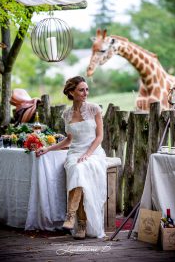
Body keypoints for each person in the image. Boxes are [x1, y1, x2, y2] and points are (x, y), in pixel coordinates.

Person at [36, 76, 107, 239]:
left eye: (87, 89)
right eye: (81, 90)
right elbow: (68, 140)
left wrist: (87, 154)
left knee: (80, 168)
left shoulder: (94, 109)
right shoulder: (66, 114)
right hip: (74, 152)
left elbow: (99, 137)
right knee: (76, 168)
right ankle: (80, 224)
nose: (85, 93)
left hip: (93, 152)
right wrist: (47, 149)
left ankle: (71, 215)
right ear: (71, 92)